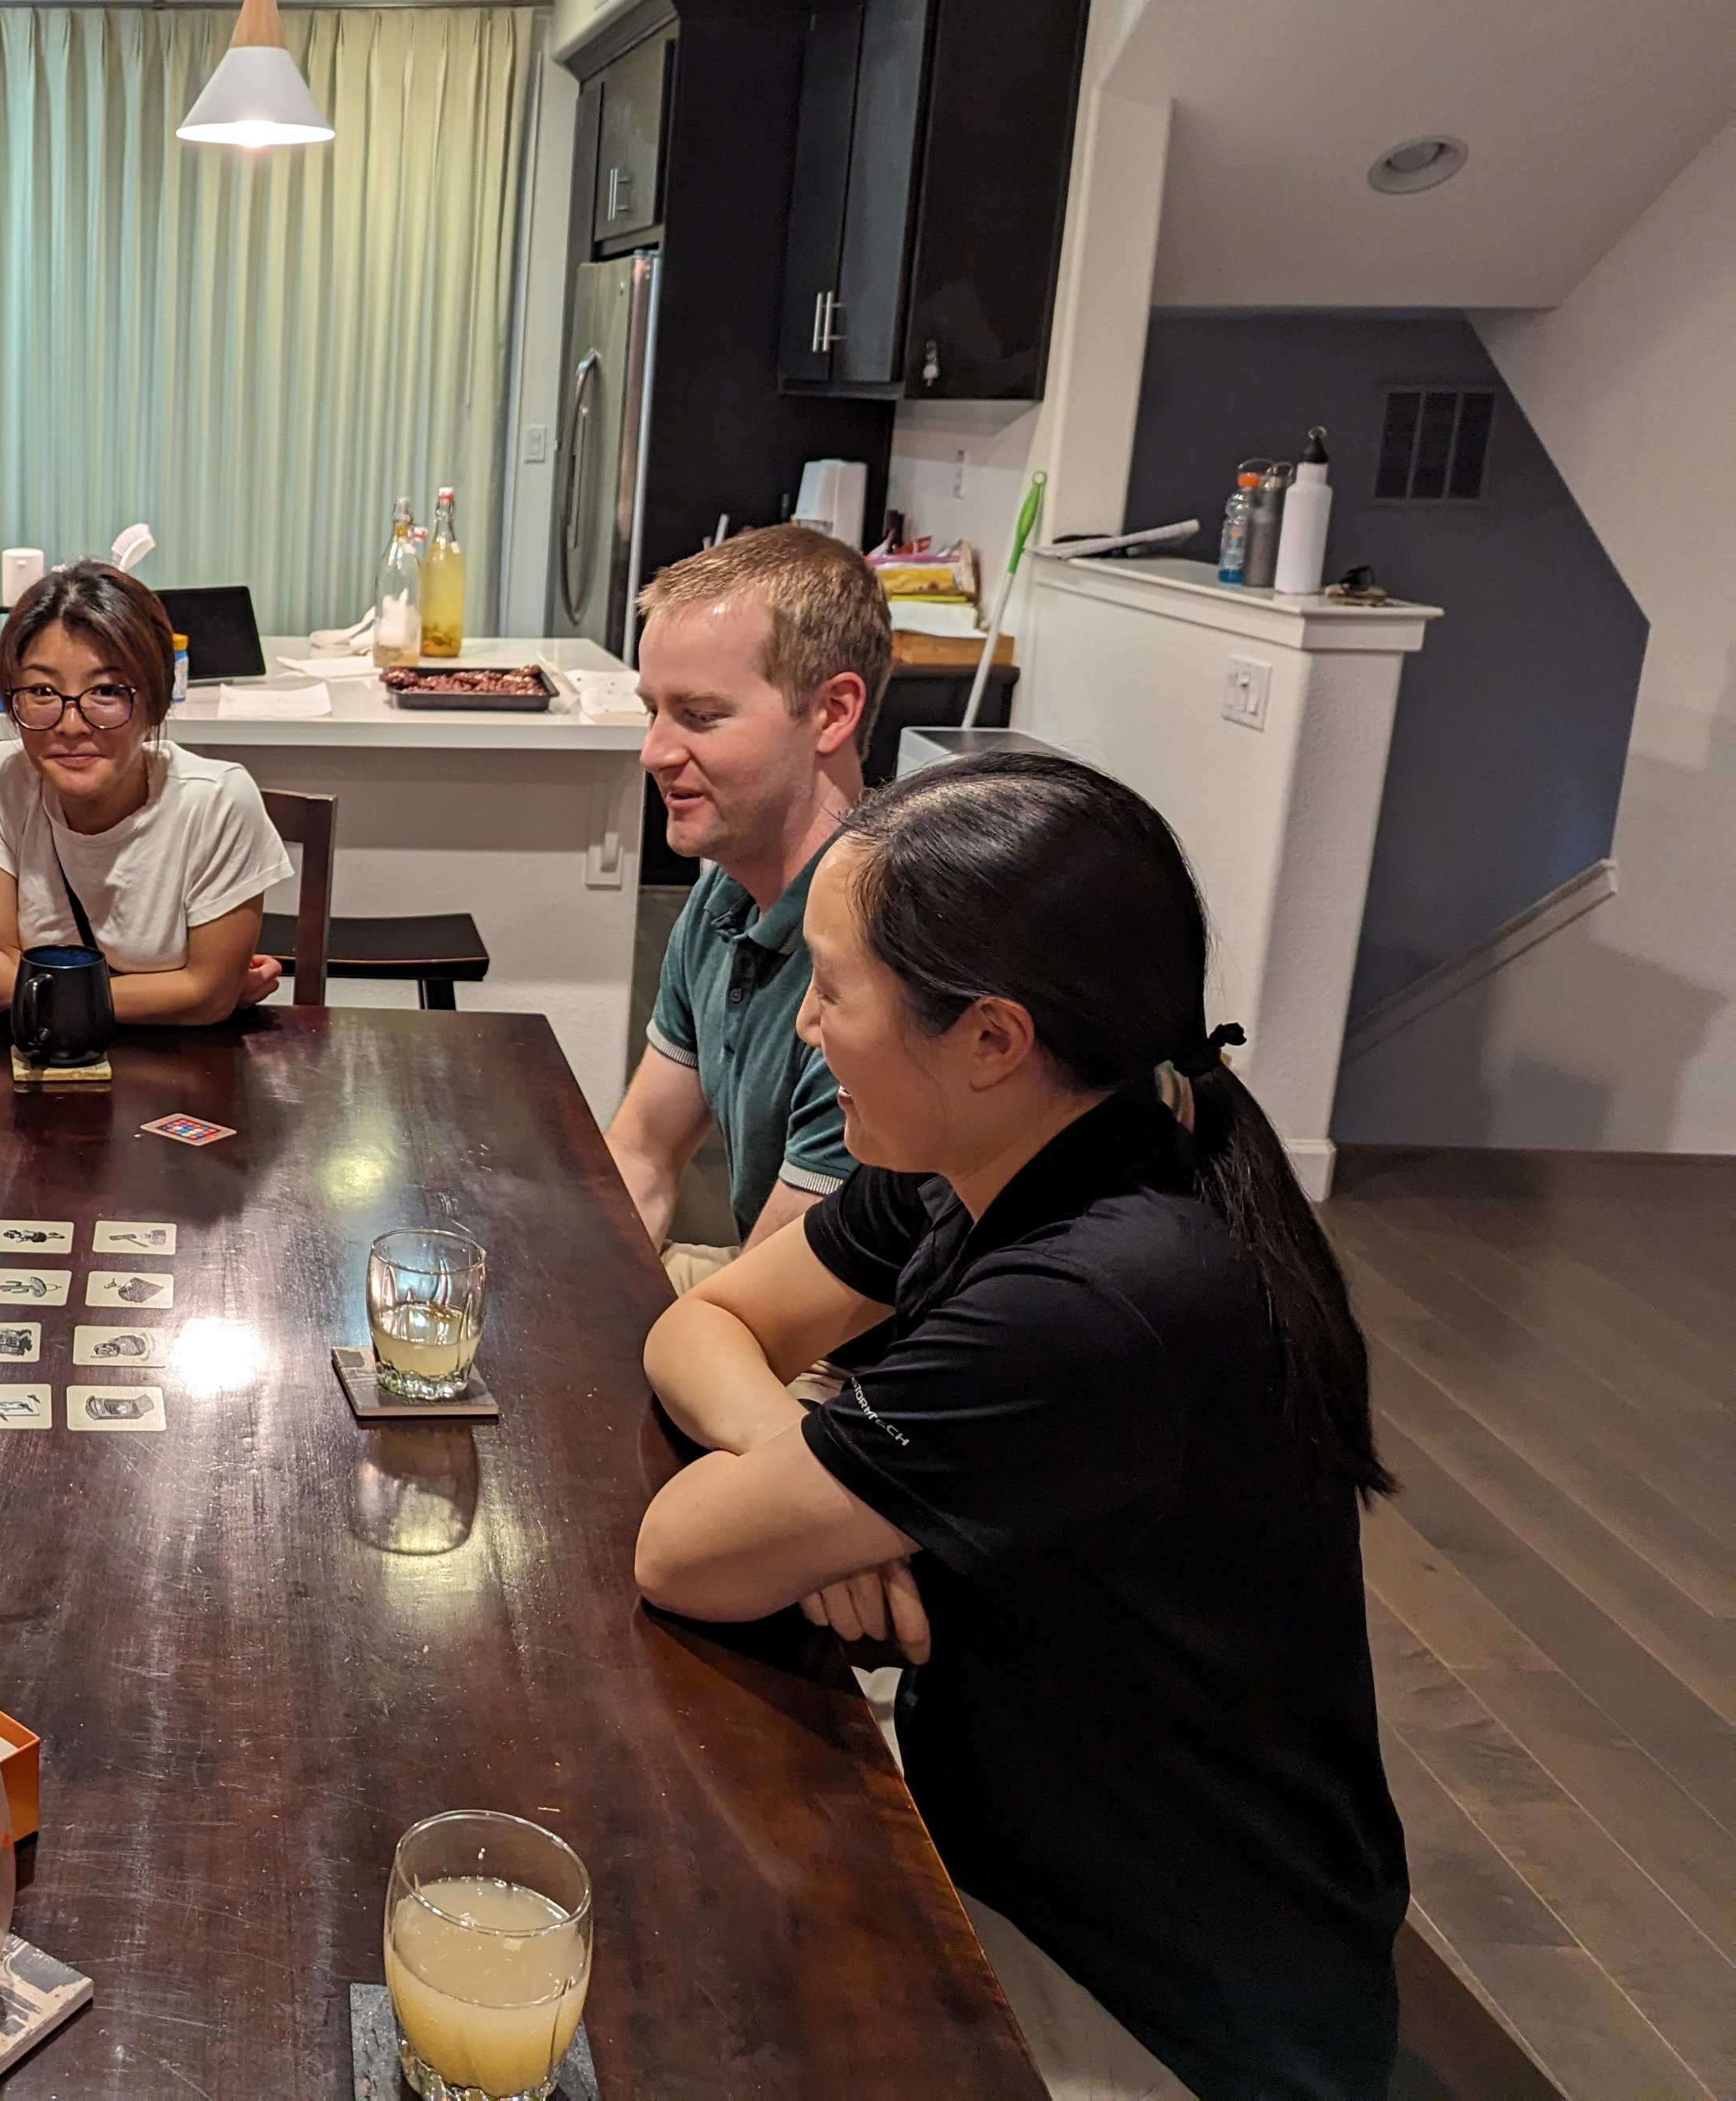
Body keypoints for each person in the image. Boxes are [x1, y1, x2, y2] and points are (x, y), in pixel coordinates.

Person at [631, 754, 1408, 2100]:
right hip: (1027, 1852)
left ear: (993, 1038)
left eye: (836, 989)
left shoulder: (1093, 1300)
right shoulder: (994, 1152)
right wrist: (813, 1476)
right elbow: (704, 1323)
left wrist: (815, 1498)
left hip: (1163, 2002)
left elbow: (680, 1552)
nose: (807, 1028)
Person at [603, 524, 891, 1290]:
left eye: (699, 715)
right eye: (653, 711)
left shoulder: (883, 954)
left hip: (859, 1343)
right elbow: (642, 1153)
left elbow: (770, 1306)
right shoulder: (722, 897)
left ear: (833, 711)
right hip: (763, 1289)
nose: (655, 752)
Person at [0, 564, 294, 1026]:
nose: (71, 725)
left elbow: (209, 999)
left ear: (156, 701)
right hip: (30, 1059)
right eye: (42, 691)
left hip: (179, 1065)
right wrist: (173, 991)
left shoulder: (218, 803)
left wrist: (27, 988)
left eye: (106, 691)